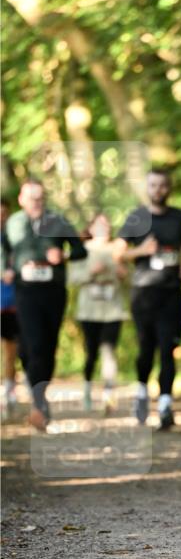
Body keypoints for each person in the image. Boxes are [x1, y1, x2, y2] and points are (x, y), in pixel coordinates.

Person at [1, 179, 87, 430]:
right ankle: (39, 401)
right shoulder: (13, 223)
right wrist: (5, 268)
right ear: (21, 199)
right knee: (29, 349)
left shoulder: (58, 221)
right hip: (25, 291)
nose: (36, 202)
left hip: (53, 292)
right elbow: (3, 248)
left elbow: (81, 250)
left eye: (40, 198)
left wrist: (65, 256)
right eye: (31, 198)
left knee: (46, 347)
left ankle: (39, 400)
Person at [116, 169, 181, 430]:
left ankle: (164, 406)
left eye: (162, 185)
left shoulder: (179, 217)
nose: (158, 190)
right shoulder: (137, 218)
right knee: (146, 350)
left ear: (168, 188)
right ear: (146, 188)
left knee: (167, 350)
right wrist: (141, 250)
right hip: (144, 294)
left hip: (171, 294)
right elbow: (118, 253)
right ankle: (141, 393)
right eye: (153, 185)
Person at [69, 212, 128, 413]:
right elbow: (72, 278)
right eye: (99, 225)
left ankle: (109, 396)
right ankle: (86, 388)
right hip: (89, 310)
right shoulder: (82, 251)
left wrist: (122, 273)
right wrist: (91, 272)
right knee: (91, 352)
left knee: (109, 352)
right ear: (91, 228)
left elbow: (129, 279)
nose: (104, 229)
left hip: (113, 309)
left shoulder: (117, 250)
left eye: (107, 225)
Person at [1, 196, 20, 415]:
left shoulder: (16, 240)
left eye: (4, 215)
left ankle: (9, 394)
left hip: (12, 304)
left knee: (10, 352)